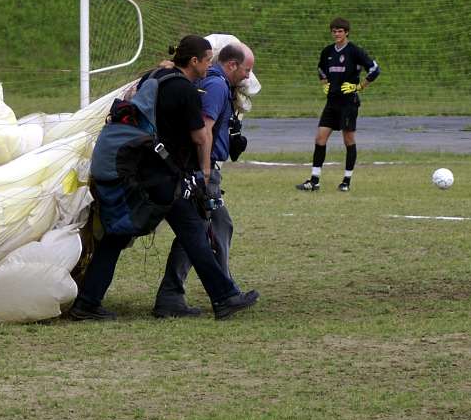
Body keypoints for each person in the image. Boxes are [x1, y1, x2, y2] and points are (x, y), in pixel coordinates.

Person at [70, 35, 260, 321]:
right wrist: (206, 172)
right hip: (161, 177)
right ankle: (223, 297)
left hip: (140, 169)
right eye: (208, 60)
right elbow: (199, 135)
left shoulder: (155, 76)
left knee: (124, 235)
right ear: (194, 61)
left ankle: (88, 301)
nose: (210, 66)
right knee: (189, 234)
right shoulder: (184, 90)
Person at [152, 42, 255, 318]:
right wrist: (206, 172)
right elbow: (204, 130)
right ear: (231, 65)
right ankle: (221, 293)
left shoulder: (215, 84)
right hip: (200, 172)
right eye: (246, 70)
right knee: (200, 230)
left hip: (194, 169)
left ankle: (198, 293)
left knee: (211, 227)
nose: (247, 76)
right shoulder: (218, 86)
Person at [296, 17, 380, 192]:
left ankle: (346, 181)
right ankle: (314, 180)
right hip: (332, 102)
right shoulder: (327, 51)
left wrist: (359, 87)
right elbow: (320, 68)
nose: (337, 34)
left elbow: (374, 69)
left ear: (346, 32)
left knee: (348, 140)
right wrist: (324, 83)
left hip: (348, 103)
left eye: (340, 31)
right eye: (334, 31)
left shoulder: (355, 51)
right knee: (320, 138)